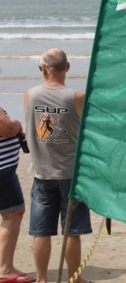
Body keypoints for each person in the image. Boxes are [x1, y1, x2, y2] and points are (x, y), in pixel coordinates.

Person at [23, 48, 92, 283]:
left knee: (41, 230)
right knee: (72, 231)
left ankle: (42, 278)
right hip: (70, 173)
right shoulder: (77, 97)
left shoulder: (29, 95)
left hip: (43, 172)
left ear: (43, 69)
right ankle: (75, 278)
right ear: (68, 67)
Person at [1, 109, 35, 283]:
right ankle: (4, 269)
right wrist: (17, 124)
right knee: (13, 215)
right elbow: (6, 128)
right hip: (2, 171)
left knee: (11, 215)